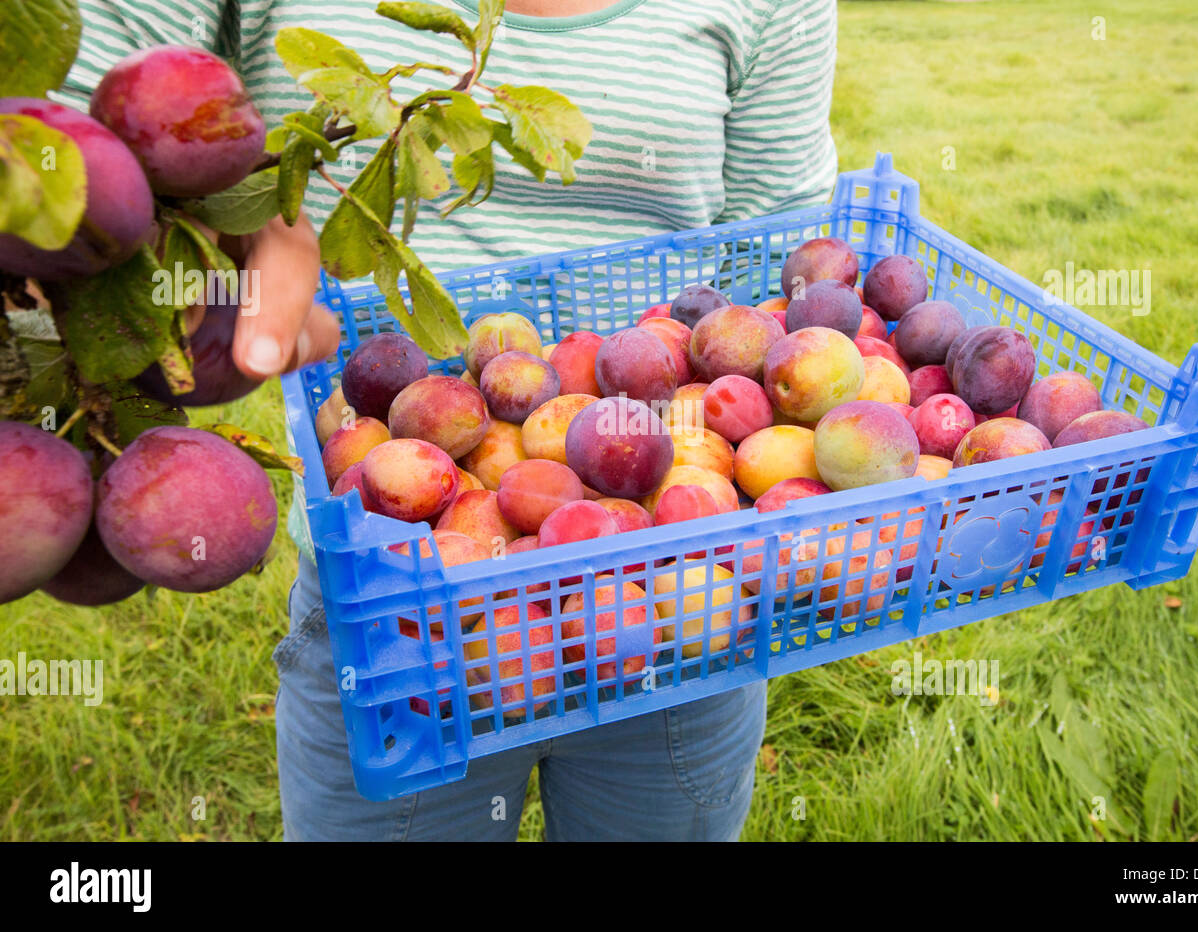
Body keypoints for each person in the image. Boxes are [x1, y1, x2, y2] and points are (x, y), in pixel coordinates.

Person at [64, 0, 839, 840]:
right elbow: (70, 157)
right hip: (394, 606)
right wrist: (238, 232)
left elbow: (774, 257)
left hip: (674, 588)